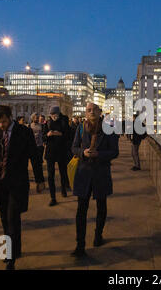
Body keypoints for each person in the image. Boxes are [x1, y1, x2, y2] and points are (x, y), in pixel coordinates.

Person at [0, 105, 37, 270]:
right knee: (5, 219)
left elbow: (33, 155)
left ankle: (10, 257)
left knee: (12, 217)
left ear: (10, 117)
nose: (1, 125)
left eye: (4, 121)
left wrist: (40, 180)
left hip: (16, 182)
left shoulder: (23, 132)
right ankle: (14, 248)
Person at [71, 102, 119, 257]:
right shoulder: (80, 128)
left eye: (94, 110)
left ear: (100, 112)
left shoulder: (109, 129)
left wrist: (100, 155)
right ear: (85, 113)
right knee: (81, 210)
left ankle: (98, 235)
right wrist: (82, 153)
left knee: (101, 206)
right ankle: (80, 244)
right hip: (83, 173)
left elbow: (114, 152)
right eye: (88, 110)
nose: (91, 112)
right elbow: (73, 148)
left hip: (101, 172)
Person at [45, 106, 71, 206]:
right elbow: (44, 137)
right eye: (51, 115)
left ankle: (63, 189)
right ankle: (53, 197)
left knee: (63, 172)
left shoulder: (64, 121)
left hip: (61, 151)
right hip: (50, 152)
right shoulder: (47, 123)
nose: (53, 116)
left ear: (58, 114)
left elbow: (69, 135)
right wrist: (48, 135)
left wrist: (60, 134)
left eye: (54, 114)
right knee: (50, 175)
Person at [29, 113, 46, 193]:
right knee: (35, 165)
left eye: (37, 117)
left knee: (38, 164)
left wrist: (44, 142)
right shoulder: (29, 126)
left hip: (39, 146)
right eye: (35, 117)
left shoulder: (41, 126)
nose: (37, 118)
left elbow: (44, 135)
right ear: (32, 118)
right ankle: (39, 181)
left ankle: (40, 182)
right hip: (32, 147)